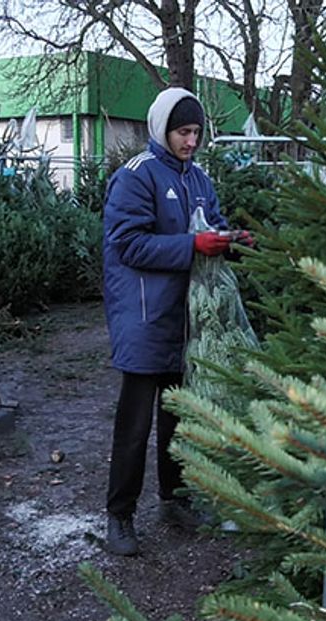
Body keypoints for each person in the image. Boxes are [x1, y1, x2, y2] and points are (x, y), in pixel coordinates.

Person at [101, 86, 245, 556]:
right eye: (184, 131)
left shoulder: (199, 178)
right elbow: (128, 244)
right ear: (163, 128)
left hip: (187, 319)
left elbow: (212, 222)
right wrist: (192, 248)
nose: (191, 141)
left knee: (177, 419)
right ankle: (119, 516)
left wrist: (230, 238)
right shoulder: (136, 177)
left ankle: (174, 499)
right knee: (135, 425)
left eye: (197, 132)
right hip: (145, 317)